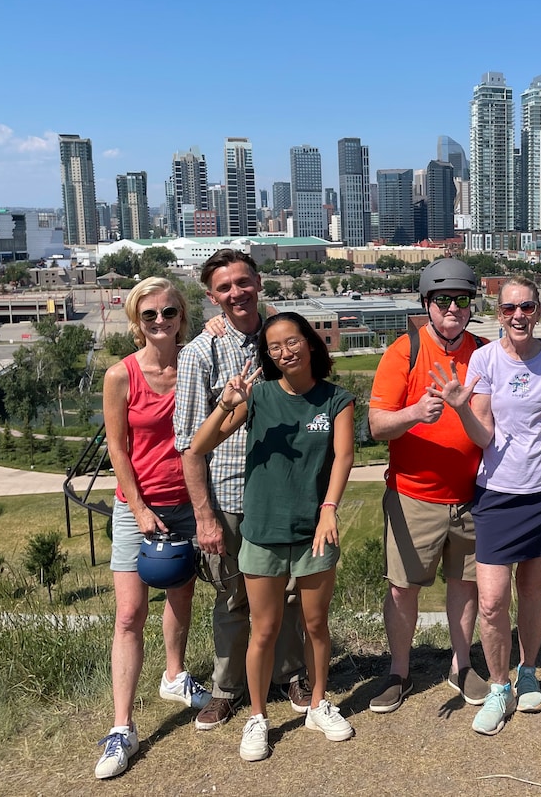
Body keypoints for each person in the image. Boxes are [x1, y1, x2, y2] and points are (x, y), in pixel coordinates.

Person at [433, 276, 541, 735]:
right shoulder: (484, 360)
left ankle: (528, 671)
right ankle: (497, 685)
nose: (519, 316)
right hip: (498, 494)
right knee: (491, 602)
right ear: (498, 313)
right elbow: (484, 435)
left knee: (532, 591)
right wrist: (461, 409)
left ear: (538, 311)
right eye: (509, 309)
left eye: (527, 307)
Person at [191, 312, 356, 759]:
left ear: (309, 342)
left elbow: (343, 458)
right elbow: (200, 446)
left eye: (292, 341)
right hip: (262, 530)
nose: (285, 352)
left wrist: (329, 510)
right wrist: (226, 404)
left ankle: (319, 703)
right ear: (268, 355)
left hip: (314, 530)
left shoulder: (336, 400)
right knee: (262, 629)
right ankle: (257, 717)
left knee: (315, 625)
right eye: (275, 347)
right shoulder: (259, 396)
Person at [173, 250, 309, 732]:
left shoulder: (283, 339)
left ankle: (290, 674)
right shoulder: (198, 354)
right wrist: (204, 517)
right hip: (230, 496)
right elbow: (188, 445)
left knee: (290, 591)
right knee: (233, 597)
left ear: (258, 283)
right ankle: (227, 688)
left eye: (243, 283)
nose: (237, 293)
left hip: (285, 494)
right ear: (212, 297)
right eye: (225, 288)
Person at [95, 278, 208, 780]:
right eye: (149, 316)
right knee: (129, 613)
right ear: (136, 322)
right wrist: (138, 508)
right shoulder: (121, 375)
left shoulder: (194, 365)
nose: (159, 322)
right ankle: (122, 726)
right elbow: (117, 449)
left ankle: (174, 675)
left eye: (168, 313)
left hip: (187, 501)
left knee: (181, 596)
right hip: (136, 506)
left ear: (182, 316)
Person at [366, 258, 489, 713]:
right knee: (403, 589)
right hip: (414, 495)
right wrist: (415, 413)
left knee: (466, 586)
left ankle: (461, 665)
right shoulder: (405, 351)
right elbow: (376, 425)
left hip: (473, 495)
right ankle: (399, 670)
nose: (453, 308)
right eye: (443, 300)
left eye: (461, 299)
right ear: (427, 304)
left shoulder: (482, 351)